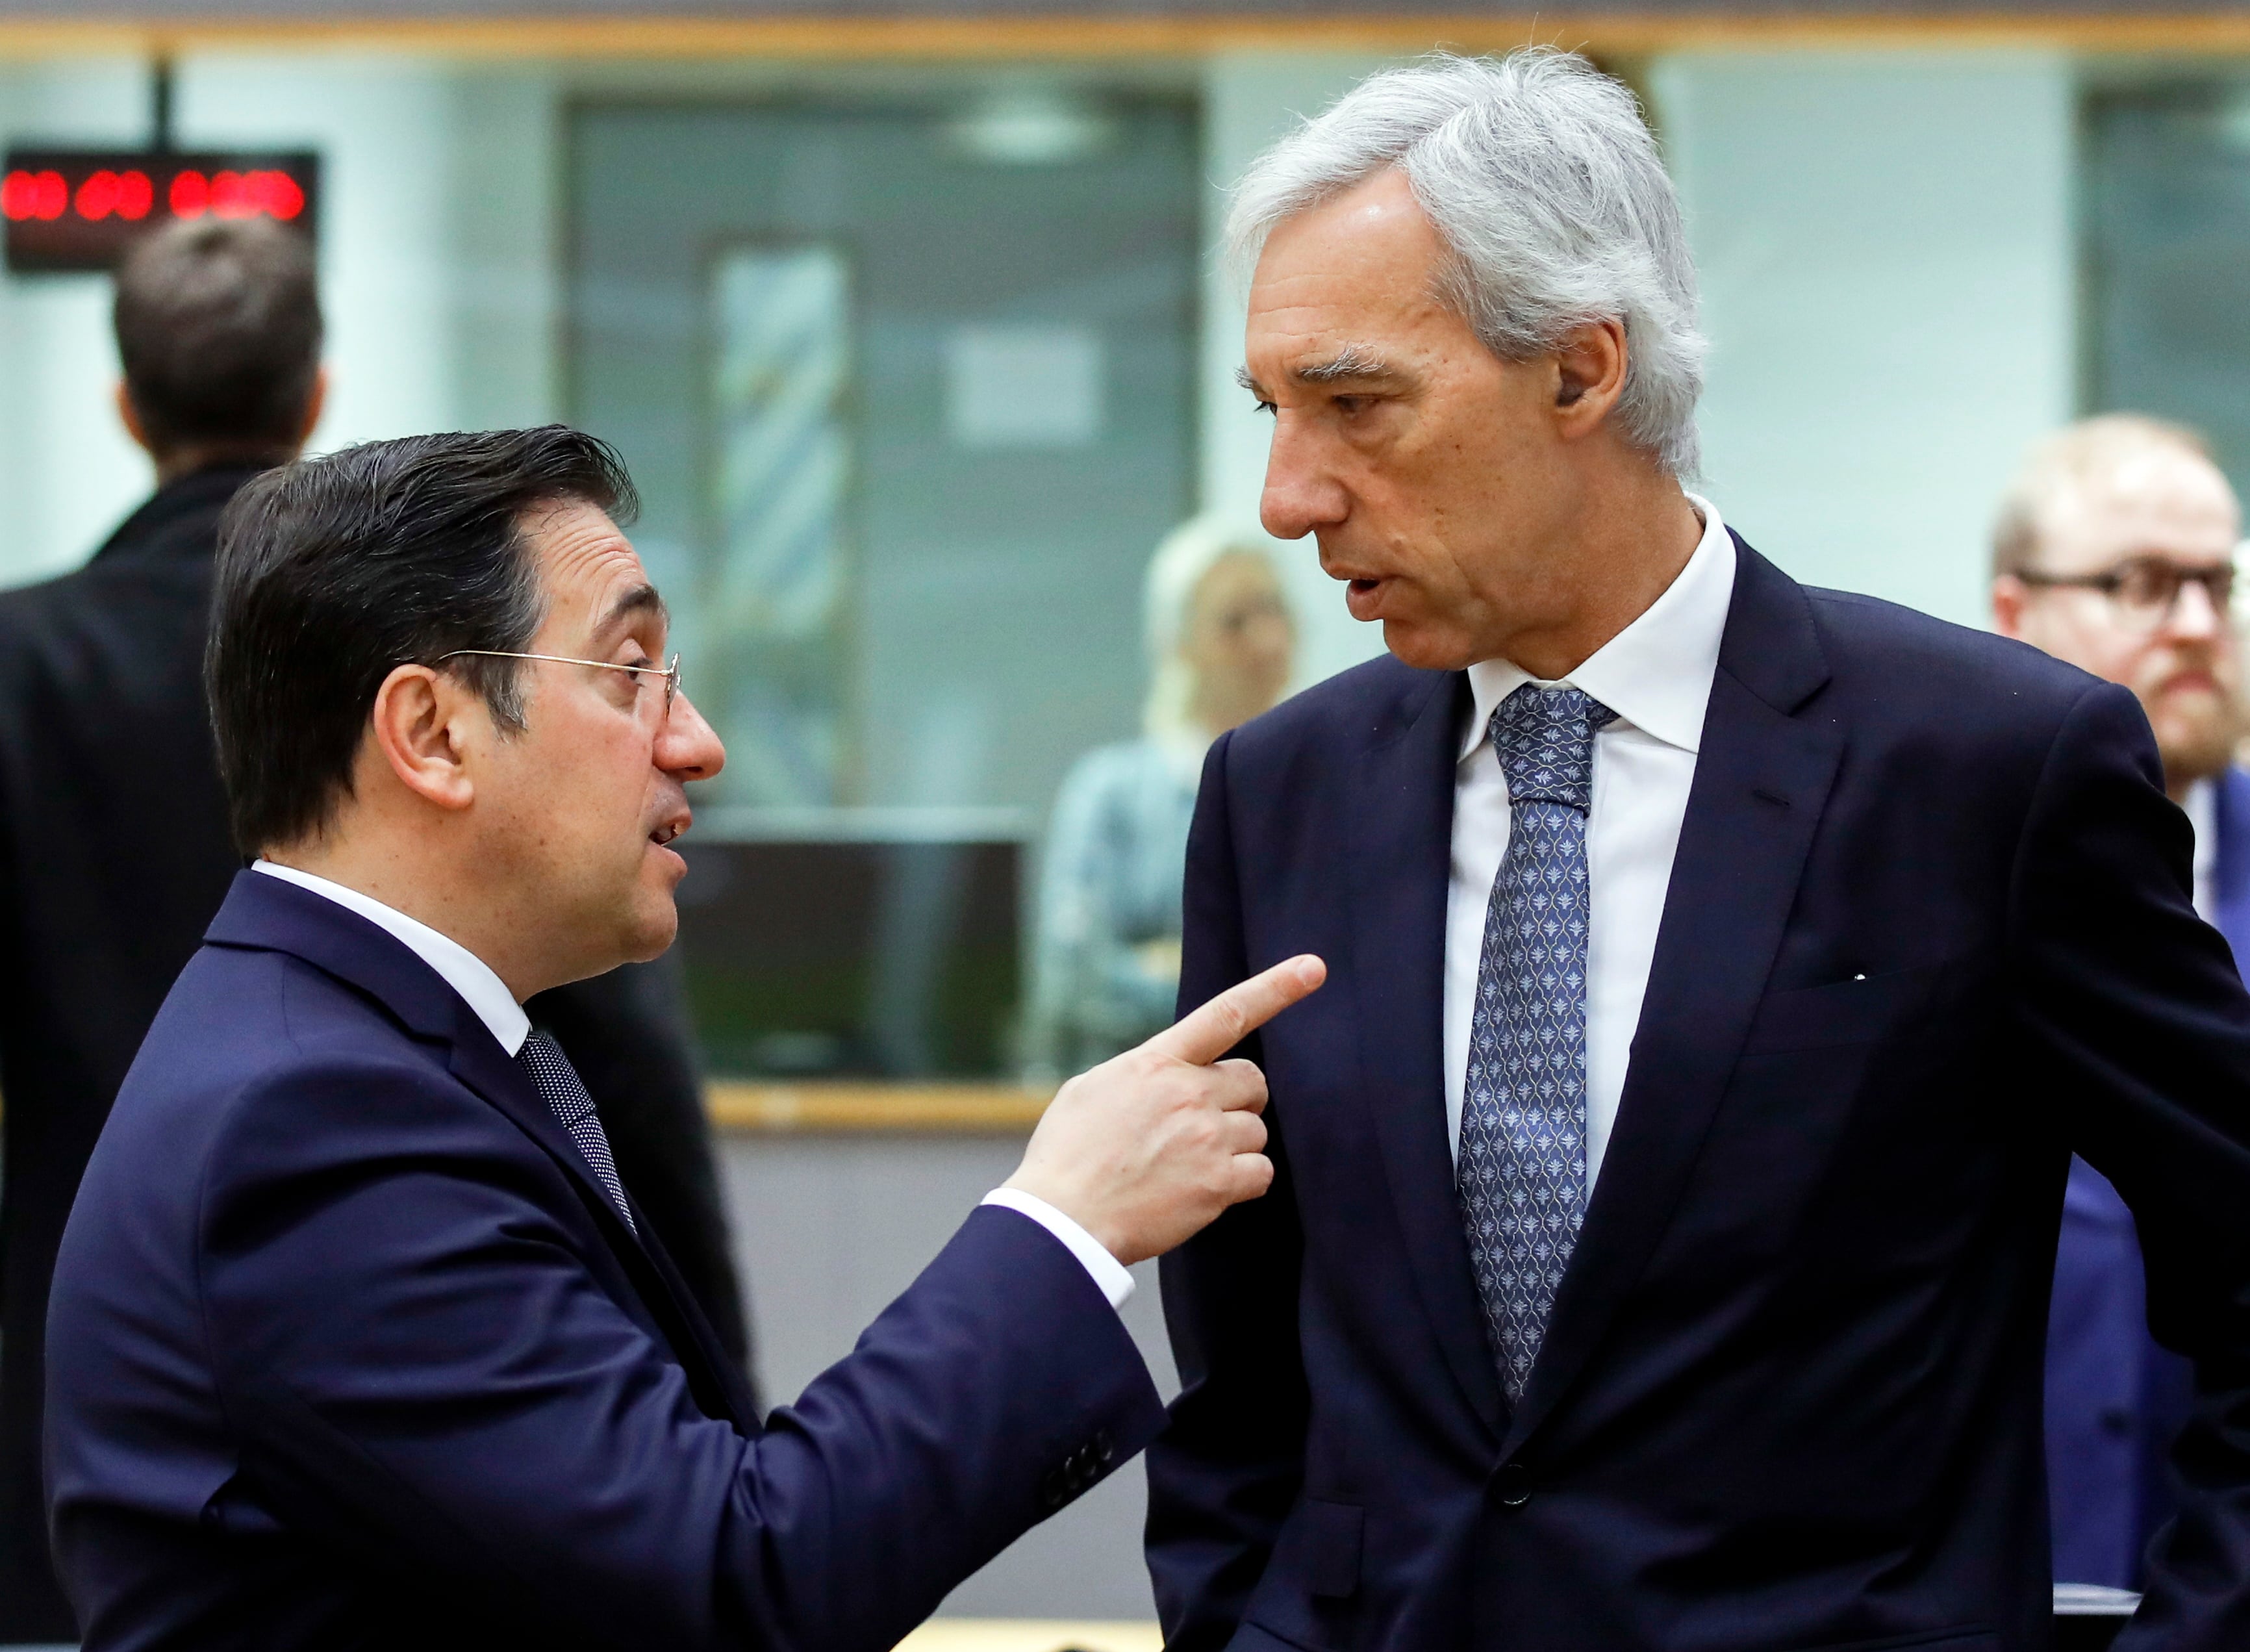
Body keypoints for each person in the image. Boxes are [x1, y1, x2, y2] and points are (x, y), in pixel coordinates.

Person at [1144, 49, 2250, 1652]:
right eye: (1273, 411)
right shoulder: (1276, 792)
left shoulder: (1982, 770)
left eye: (1352, 403)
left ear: (1580, 372)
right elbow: (1243, 1363)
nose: (1282, 497)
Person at [44, 426, 1323, 1651]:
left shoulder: (372, 1055)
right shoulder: (316, 1125)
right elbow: (734, 1581)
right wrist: (1066, 1218)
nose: (695, 741)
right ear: (430, 732)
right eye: (629, 670)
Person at [0, 221, 756, 1644]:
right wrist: (730, 1420)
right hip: (461, 1380)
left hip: (87, 1394)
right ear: (312, 399)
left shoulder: (25, 661)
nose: (687, 740)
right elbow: (625, 1074)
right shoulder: (448, 671)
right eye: (631, 674)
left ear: (124, 404)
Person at [1991, 414, 2239, 1590]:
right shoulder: (1905, 870)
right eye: (2134, 583)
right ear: (2011, 614)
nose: (2192, 624)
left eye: (2213, 583)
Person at [1030, 518, 1295, 1074]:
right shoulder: (1111, 792)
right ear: (1178, 641)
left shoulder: (1322, 785)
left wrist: (1175, 963)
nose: (1267, 640)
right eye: (1234, 620)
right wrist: (1255, 987)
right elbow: (1075, 975)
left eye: (1276, 611)